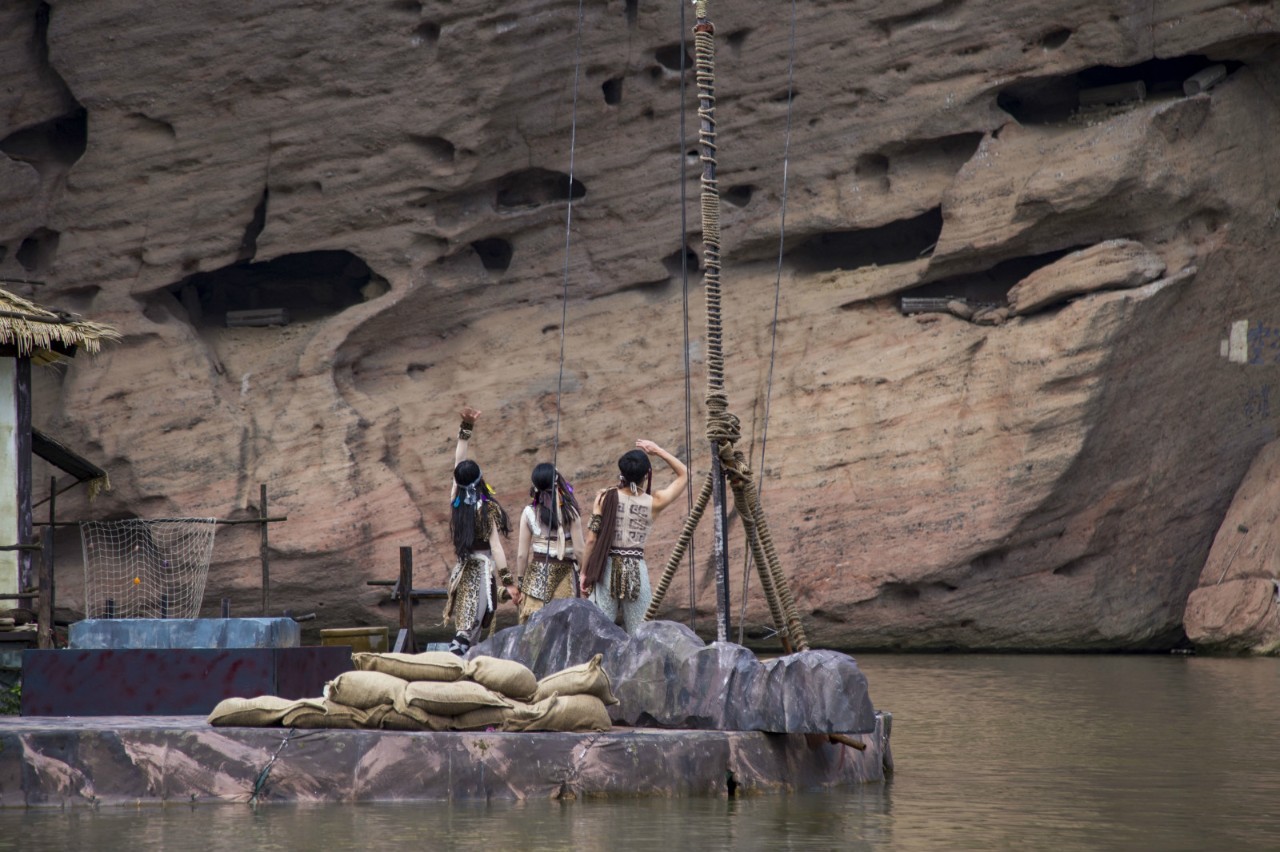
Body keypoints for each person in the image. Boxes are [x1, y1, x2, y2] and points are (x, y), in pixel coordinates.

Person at [580, 439, 688, 634]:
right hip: (636, 570)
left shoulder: (604, 498)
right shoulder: (654, 502)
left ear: (622, 473)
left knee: (598, 631)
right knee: (641, 633)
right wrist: (658, 450)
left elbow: (591, 540)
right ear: (647, 474)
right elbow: (684, 474)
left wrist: (583, 573)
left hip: (607, 569)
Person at [442, 406, 514, 656]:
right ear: (480, 479)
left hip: (462, 569)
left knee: (468, 624)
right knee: (469, 630)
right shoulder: (487, 509)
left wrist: (466, 428)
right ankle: (457, 660)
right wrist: (508, 582)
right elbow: (496, 547)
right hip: (481, 572)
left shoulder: (456, 501)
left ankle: (461, 661)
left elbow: (457, 463)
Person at [512, 463, 586, 624]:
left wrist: (520, 583)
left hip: (535, 577)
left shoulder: (528, 512)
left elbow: (521, 555)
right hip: (565, 575)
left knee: (535, 628)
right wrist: (584, 576)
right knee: (562, 627)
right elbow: (580, 551)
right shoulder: (571, 512)